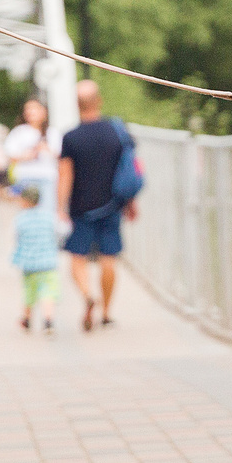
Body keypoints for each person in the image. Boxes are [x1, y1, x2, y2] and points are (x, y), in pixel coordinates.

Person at [58, 80, 137, 332]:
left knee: (77, 258)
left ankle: (87, 294)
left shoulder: (70, 137)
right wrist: (131, 201)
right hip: (112, 204)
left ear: (77, 105)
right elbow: (128, 169)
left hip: (81, 208)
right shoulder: (116, 132)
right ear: (99, 101)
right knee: (109, 258)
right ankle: (106, 312)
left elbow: (65, 176)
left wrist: (60, 208)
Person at [10, 181, 61, 333]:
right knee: (48, 292)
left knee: (29, 292)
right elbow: (59, 233)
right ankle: (48, 320)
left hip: (29, 263)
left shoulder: (20, 219)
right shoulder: (49, 217)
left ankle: (26, 319)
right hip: (48, 263)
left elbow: (16, 237)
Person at [2, 94, 60, 196]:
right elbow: (8, 154)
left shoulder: (52, 132)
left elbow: (61, 155)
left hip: (48, 177)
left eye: (34, 108)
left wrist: (46, 149)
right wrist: (25, 156)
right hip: (25, 177)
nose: (31, 112)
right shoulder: (19, 132)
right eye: (28, 109)